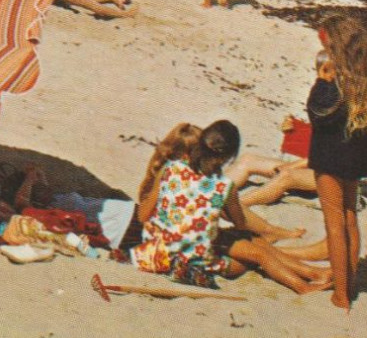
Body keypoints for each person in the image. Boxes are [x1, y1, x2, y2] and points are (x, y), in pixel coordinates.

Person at [131, 121, 329, 293]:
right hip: (189, 266)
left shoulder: (170, 169)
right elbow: (241, 224)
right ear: (228, 157)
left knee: (240, 242)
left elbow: (142, 215)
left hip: (156, 252)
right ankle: (304, 286)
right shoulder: (223, 187)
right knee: (256, 249)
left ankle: (315, 272)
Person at [309, 19, 367, 311]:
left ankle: (341, 295)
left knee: (334, 223)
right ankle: (348, 281)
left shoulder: (338, 77)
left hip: (332, 155)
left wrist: (321, 80)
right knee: (349, 217)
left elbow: (319, 113)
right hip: (356, 155)